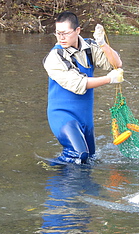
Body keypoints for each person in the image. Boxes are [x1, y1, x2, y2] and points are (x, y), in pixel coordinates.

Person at [43, 11, 123, 164]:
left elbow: (116, 63)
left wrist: (102, 43)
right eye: (58, 33)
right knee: (79, 154)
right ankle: (47, 172)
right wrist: (109, 79)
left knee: (90, 158)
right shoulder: (54, 57)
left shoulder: (89, 47)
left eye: (65, 33)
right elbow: (78, 84)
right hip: (63, 115)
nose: (61, 38)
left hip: (85, 116)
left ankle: (84, 187)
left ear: (77, 31)